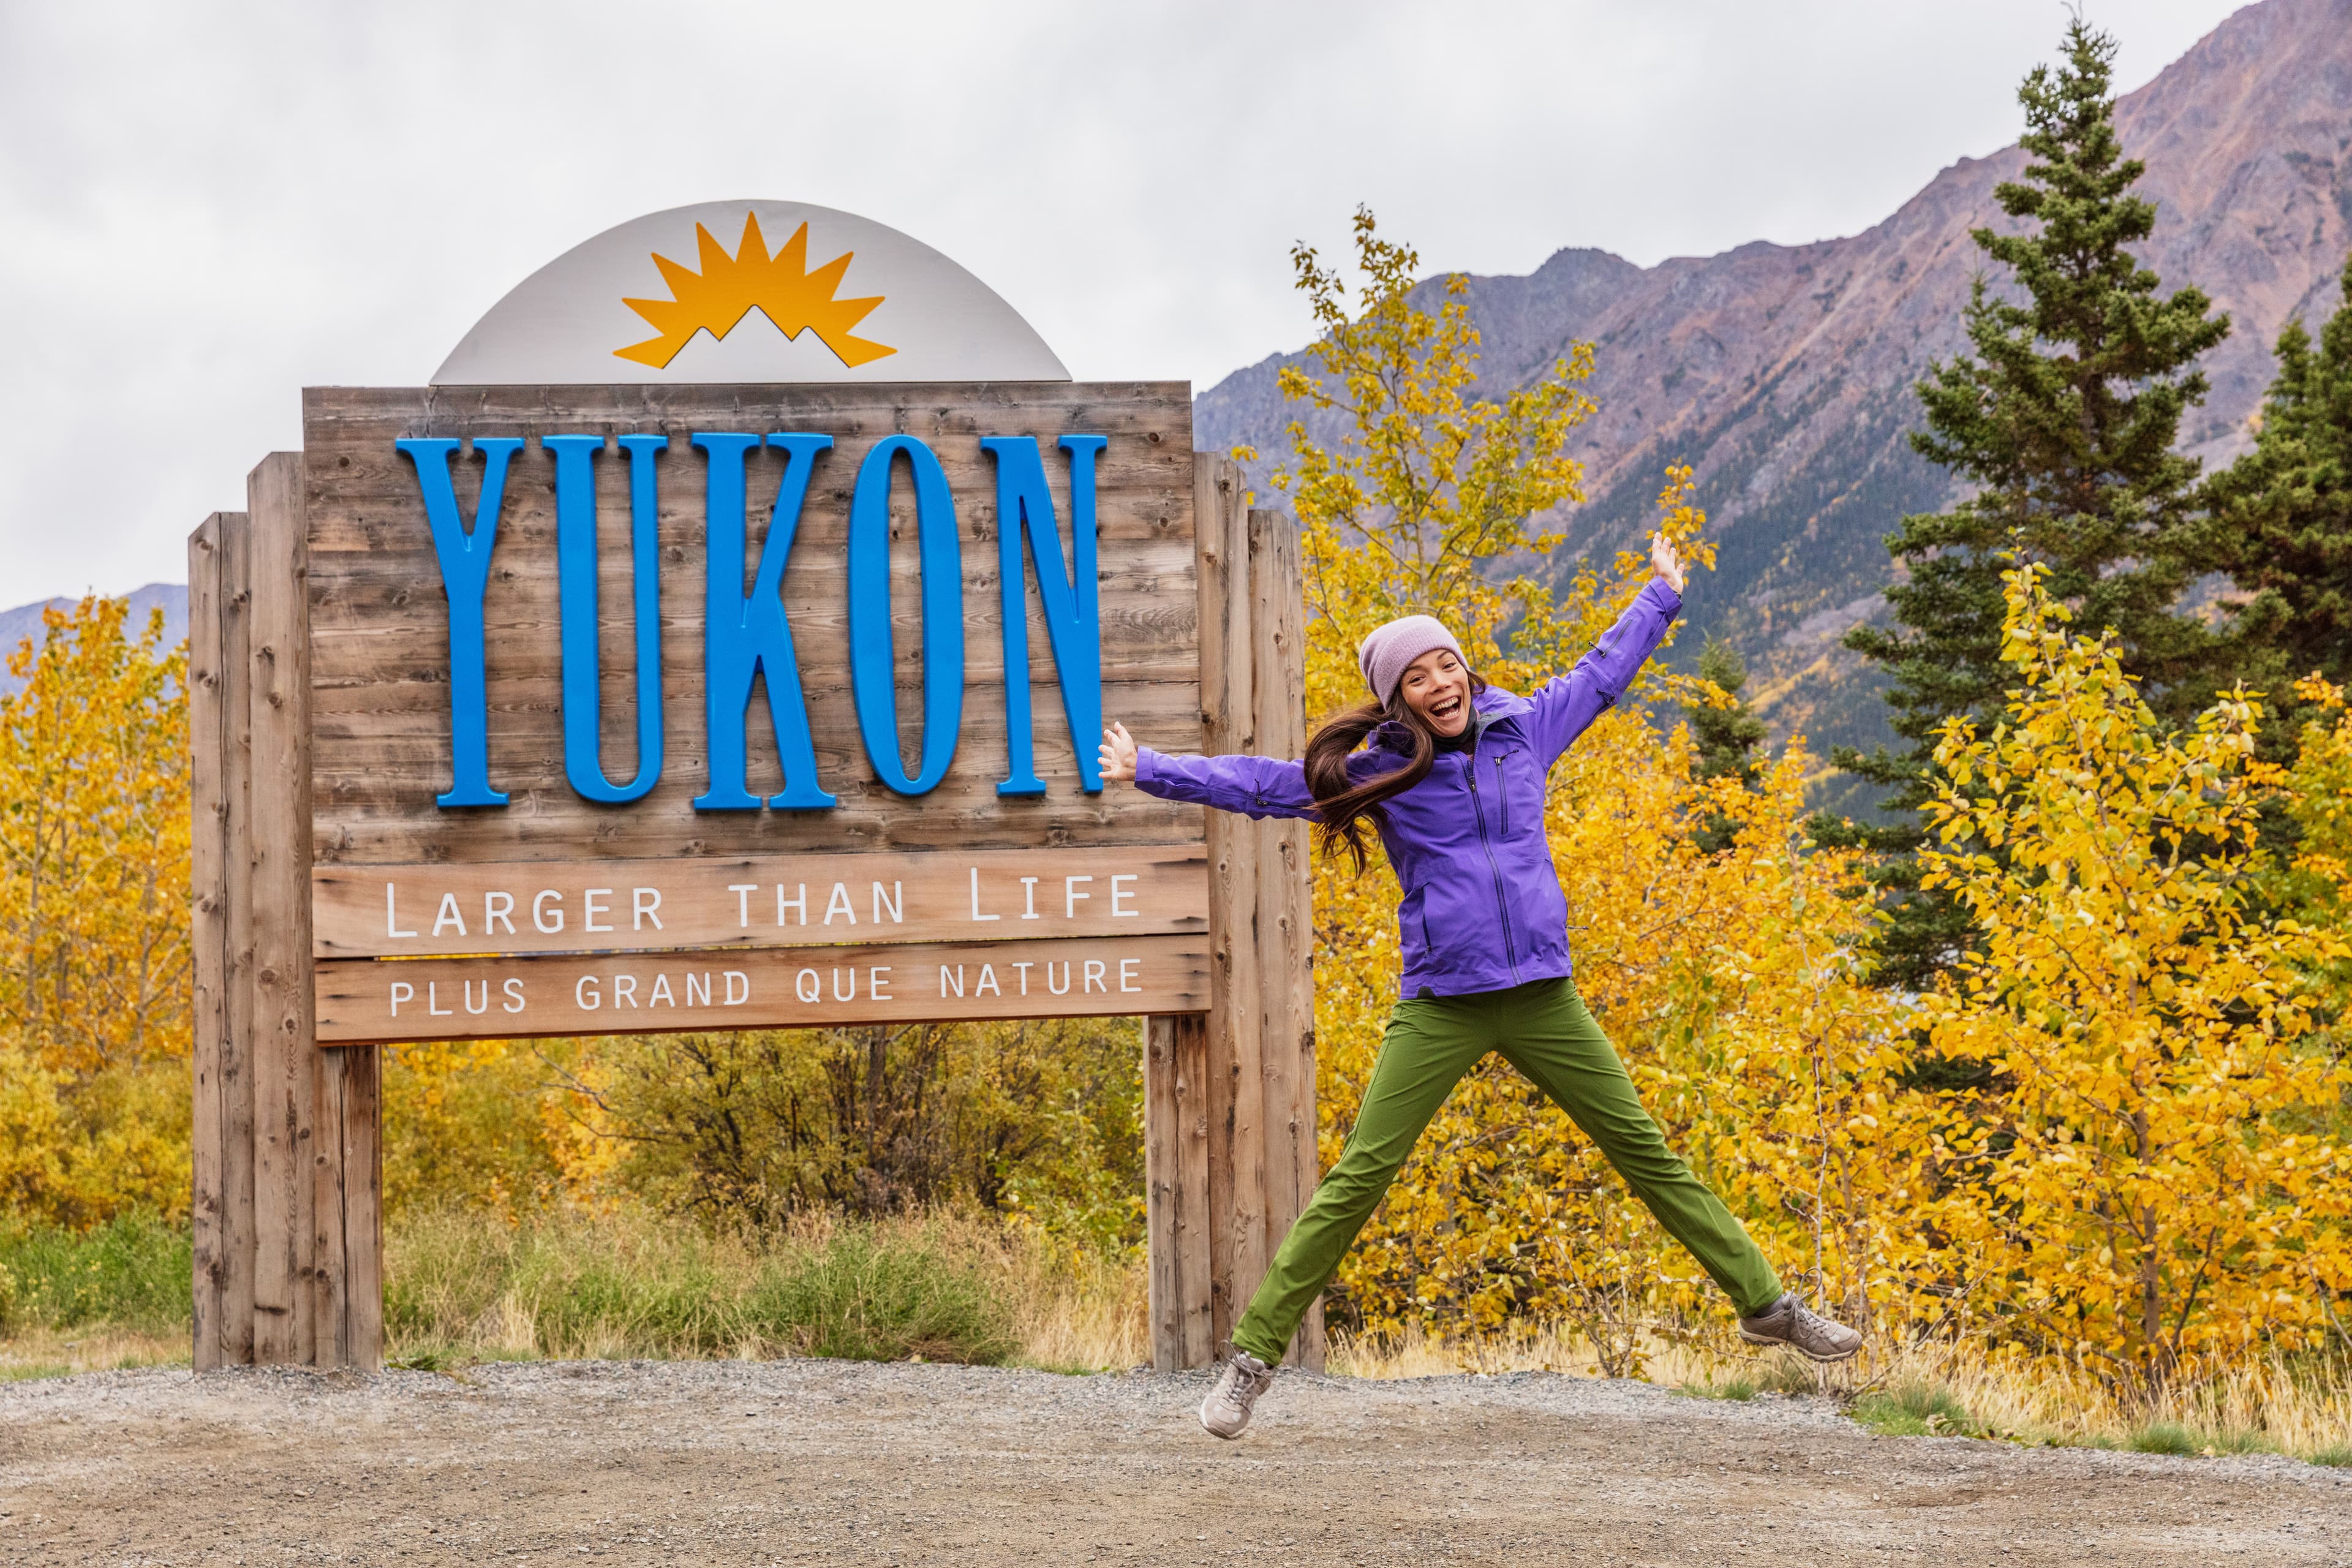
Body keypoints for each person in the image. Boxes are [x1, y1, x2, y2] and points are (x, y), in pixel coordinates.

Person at [1098, 532, 1863, 1441]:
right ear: (1397, 699)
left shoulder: (1525, 730)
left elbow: (1601, 674)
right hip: (1443, 1004)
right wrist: (1151, 768)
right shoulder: (1381, 773)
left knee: (1647, 1151)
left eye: (1447, 662)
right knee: (1357, 1180)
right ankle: (1252, 1365)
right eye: (1417, 675)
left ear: (1466, 669)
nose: (1440, 681)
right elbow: (1265, 786)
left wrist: (1661, 594)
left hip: (1544, 994)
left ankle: (1766, 1305)